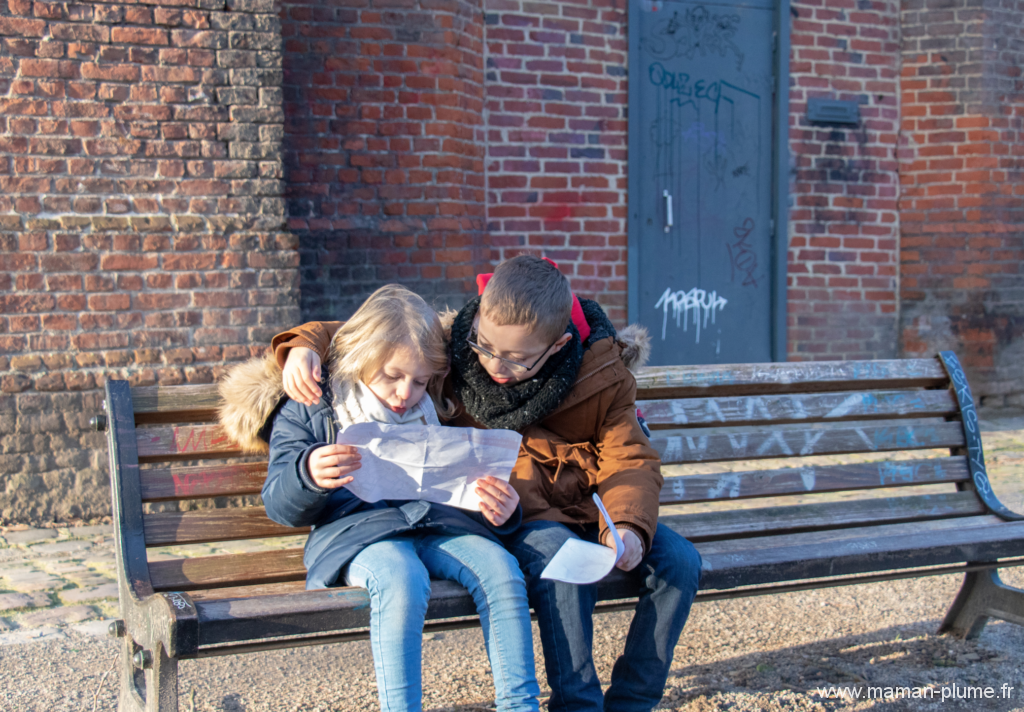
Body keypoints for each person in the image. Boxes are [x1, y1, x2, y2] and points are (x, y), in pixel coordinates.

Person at [271, 256, 703, 712]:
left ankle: (633, 703)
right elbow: (378, 332)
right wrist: (303, 345)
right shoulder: (453, 350)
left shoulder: (602, 373)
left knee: (680, 560)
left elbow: (629, 460)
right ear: (478, 318)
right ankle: (578, 704)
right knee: (560, 562)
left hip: (592, 509)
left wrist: (629, 526)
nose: (496, 363)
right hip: (530, 517)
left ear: (556, 346)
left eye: (517, 358)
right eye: (487, 344)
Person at [217, 284, 540, 712]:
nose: (406, 393)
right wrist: (309, 473)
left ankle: (521, 706)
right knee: (400, 579)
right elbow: (279, 502)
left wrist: (503, 511)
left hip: (438, 523)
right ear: (359, 358)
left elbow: (470, 484)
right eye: (392, 376)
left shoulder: (438, 402)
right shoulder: (315, 405)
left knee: (501, 569)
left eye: (419, 381)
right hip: (359, 534)